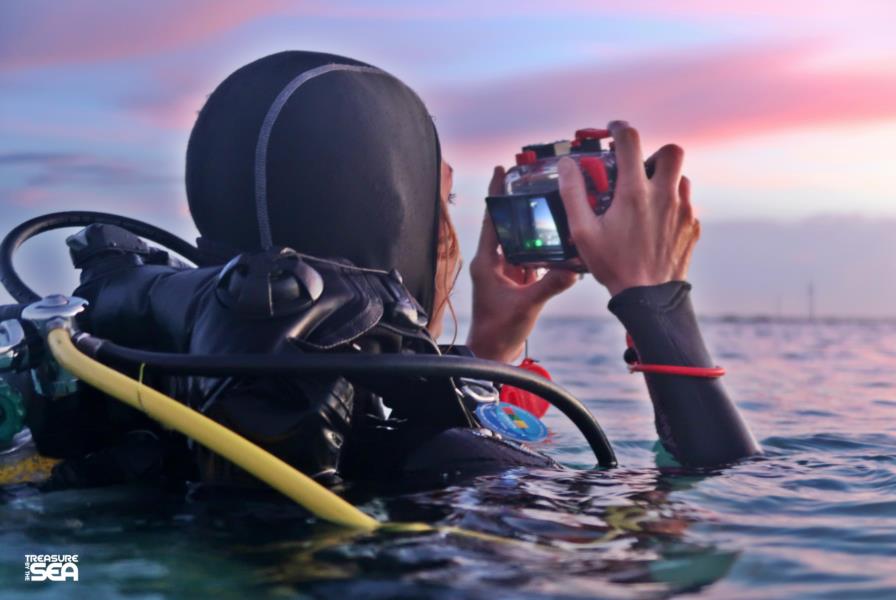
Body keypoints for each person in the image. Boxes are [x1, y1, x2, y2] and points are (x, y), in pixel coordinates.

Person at [18, 51, 759, 492]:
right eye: (442, 206)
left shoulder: (123, 410)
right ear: (396, 229)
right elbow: (697, 536)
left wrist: (492, 344)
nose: (448, 242)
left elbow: (58, 568)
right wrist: (655, 302)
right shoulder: (452, 468)